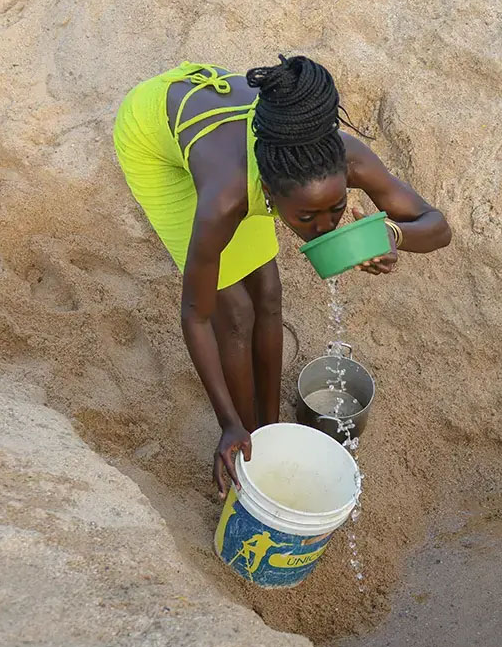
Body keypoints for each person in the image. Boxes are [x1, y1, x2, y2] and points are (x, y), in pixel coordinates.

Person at [113, 55, 451, 496]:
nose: (325, 227)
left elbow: (437, 227)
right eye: (307, 217)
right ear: (269, 194)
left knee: (268, 292)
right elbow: (195, 316)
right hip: (153, 135)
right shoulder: (226, 197)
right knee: (234, 312)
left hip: (234, 135)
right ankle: (249, 434)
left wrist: (392, 234)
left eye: (334, 209)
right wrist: (229, 425)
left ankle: (268, 425)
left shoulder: (334, 156)